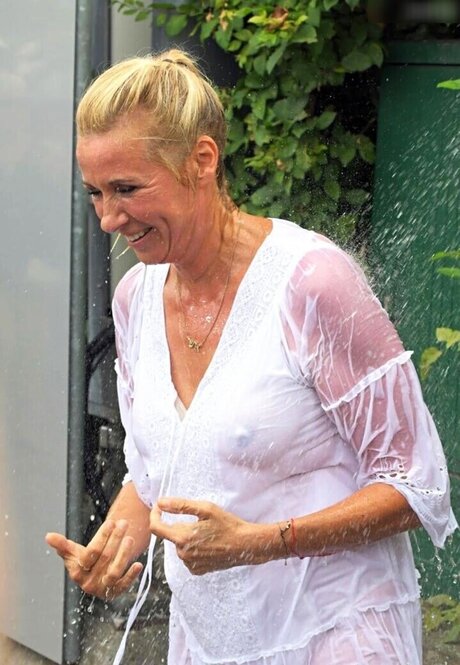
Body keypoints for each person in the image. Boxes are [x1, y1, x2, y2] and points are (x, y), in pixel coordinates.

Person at [46, 48, 457, 665]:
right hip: (210, 641)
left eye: (127, 189)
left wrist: (262, 542)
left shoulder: (311, 283)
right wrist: (118, 540)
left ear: (202, 160)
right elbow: (158, 468)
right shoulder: (135, 300)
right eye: (95, 193)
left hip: (338, 632)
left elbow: (416, 485)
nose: (107, 218)